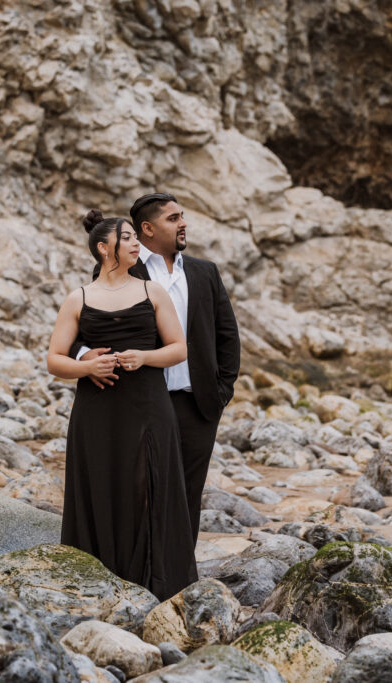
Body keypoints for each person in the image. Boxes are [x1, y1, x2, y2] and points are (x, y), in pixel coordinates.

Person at [72, 193, 241, 547]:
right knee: (137, 490)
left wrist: (221, 391)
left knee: (186, 496)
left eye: (182, 217)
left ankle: (178, 579)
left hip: (197, 405)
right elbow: (86, 329)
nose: (183, 224)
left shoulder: (204, 272)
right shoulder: (123, 267)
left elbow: (227, 336)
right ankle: (136, 574)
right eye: (173, 218)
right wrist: (87, 357)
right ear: (147, 228)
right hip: (138, 402)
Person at [47, 210, 197, 600]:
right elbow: (54, 359)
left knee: (148, 486)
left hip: (148, 407)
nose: (136, 244)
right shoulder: (78, 298)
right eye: (127, 237)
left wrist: (145, 358)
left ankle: (155, 583)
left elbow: (179, 349)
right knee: (100, 483)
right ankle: (96, 581)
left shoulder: (152, 292)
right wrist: (86, 365)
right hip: (96, 413)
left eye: (135, 237)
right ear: (103, 247)